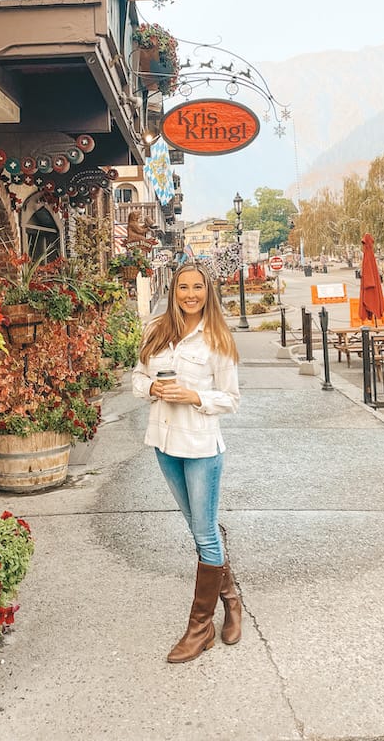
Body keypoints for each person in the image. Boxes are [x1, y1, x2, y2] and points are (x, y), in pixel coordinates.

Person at [132, 262, 241, 663]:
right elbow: (136, 379)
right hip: (164, 442)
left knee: (205, 533)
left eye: (198, 287)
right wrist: (153, 387)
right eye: (183, 287)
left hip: (201, 447)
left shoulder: (217, 338)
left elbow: (231, 398)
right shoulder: (155, 331)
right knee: (198, 531)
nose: (190, 294)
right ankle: (230, 599)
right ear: (173, 291)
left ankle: (200, 628)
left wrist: (196, 398)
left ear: (207, 292)